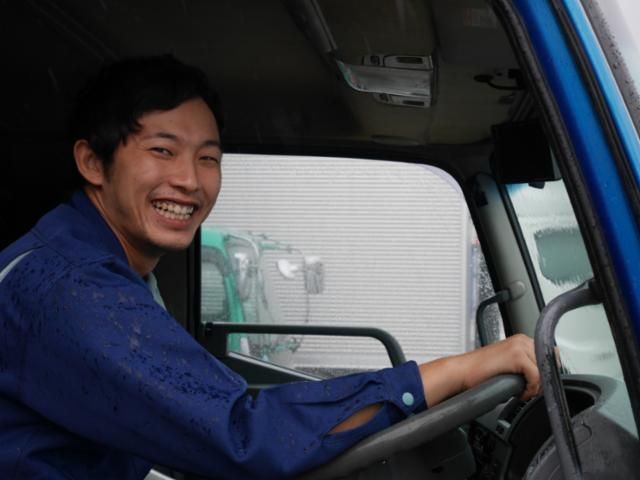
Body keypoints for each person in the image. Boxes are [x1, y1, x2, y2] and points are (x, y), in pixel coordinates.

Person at [0, 55, 540, 480]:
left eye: (208, 158)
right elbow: (242, 436)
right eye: (163, 151)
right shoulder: (71, 289)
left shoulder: (99, 269)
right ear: (93, 162)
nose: (190, 180)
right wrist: (457, 371)